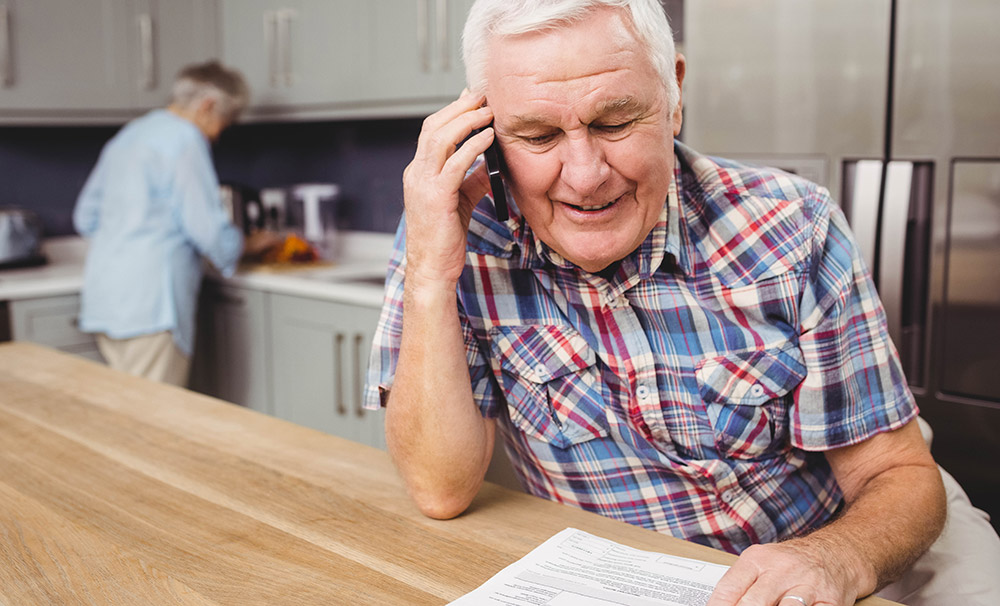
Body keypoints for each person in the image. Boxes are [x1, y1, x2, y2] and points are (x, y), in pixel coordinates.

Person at [365, 1, 1000, 605]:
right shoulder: (448, 235)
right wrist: (429, 271)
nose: (585, 176)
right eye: (536, 135)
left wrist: (835, 557)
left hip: (852, 544)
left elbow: (897, 473)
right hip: (643, 577)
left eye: (614, 122)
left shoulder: (791, 224)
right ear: (487, 133)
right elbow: (439, 488)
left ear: (672, 96)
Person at [74, 61, 266, 386]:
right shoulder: (185, 140)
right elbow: (207, 229)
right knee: (153, 423)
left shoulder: (131, 133)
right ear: (208, 106)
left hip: (105, 298)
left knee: (124, 412)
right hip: (152, 306)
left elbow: (86, 217)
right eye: (226, 121)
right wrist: (247, 244)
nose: (220, 133)